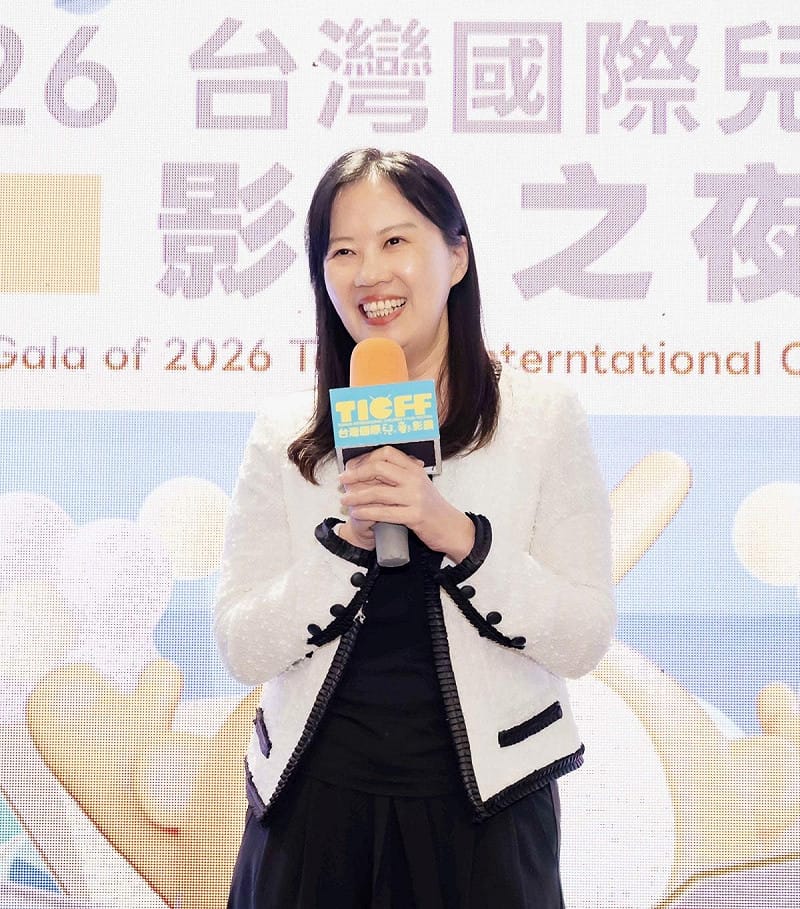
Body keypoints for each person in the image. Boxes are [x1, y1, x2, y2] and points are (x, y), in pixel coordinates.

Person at [214, 148, 615, 909]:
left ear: (456, 256)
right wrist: (347, 545)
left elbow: (584, 635)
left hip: (488, 813)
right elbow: (240, 644)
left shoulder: (541, 419)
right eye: (342, 251)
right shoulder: (286, 432)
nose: (369, 274)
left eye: (394, 241)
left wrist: (454, 531)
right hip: (314, 810)